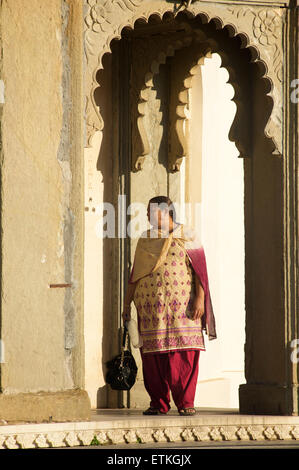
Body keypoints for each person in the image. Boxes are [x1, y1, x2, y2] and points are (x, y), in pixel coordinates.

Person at [122, 196, 216, 416]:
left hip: (182, 310)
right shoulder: (145, 240)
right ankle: (158, 403)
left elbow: (200, 273)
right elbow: (134, 275)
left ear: (164, 212)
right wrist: (127, 304)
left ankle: (185, 403)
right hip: (151, 311)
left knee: (183, 355)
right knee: (153, 359)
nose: (146, 215)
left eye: (149, 211)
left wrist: (200, 299)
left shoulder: (188, 235)